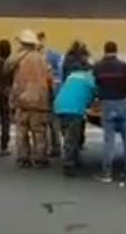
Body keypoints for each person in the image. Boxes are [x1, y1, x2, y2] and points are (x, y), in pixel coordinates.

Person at [6, 30, 52, 168]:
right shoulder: (42, 59)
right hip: (39, 101)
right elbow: (49, 78)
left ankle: (23, 158)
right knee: (39, 132)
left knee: (22, 132)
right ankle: (40, 159)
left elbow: (6, 68)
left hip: (22, 99)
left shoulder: (17, 58)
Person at [92, 40, 126, 183]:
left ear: (104, 51)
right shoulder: (125, 67)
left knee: (108, 141)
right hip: (124, 103)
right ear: (116, 51)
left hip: (107, 104)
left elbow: (95, 85)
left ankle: (106, 174)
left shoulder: (98, 67)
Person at [53, 46, 96, 176]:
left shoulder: (72, 76)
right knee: (72, 137)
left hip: (60, 106)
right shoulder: (89, 78)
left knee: (69, 135)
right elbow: (98, 91)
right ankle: (69, 164)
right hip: (74, 109)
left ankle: (74, 159)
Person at [38, 31, 63, 158]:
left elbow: (58, 73)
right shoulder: (53, 55)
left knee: (49, 122)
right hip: (49, 92)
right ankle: (54, 147)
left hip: (47, 93)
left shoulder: (51, 55)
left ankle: (52, 147)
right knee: (51, 121)